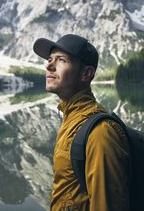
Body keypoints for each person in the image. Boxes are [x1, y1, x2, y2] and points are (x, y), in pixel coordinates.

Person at [33, 34, 130, 211]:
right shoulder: (71, 117)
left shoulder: (100, 132)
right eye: (49, 59)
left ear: (86, 74)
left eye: (61, 60)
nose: (49, 66)